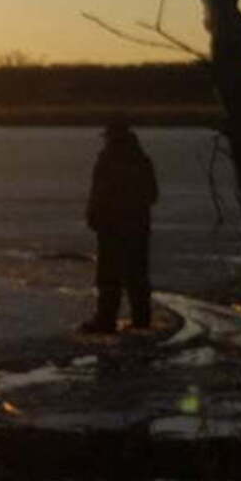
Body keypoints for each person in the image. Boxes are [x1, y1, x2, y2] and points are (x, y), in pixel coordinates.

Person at [80, 116, 157, 333]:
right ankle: (142, 319)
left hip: (113, 226)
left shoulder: (108, 160)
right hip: (137, 226)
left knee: (109, 275)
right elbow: (151, 194)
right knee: (137, 273)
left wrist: (95, 215)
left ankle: (106, 320)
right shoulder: (141, 160)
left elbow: (99, 193)